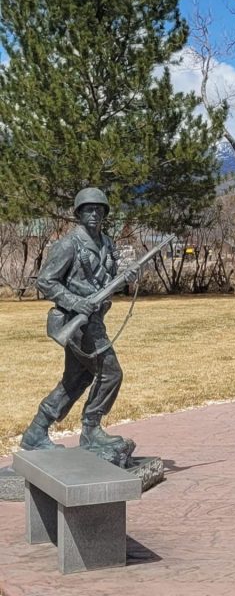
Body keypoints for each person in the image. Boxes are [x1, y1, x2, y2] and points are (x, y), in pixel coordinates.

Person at [20, 187, 138, 456]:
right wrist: (74, 302)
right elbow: (46, 281)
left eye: (99, 209)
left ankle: (36, 431)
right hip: (76, 322)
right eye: (88, 209)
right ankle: (91, 429)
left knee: (75, 379)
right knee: (110, 373)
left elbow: (104, 283)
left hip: (94, 319)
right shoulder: (68, 244)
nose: (94, 214)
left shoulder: (106, 244)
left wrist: (126, 278)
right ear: (79, 214)